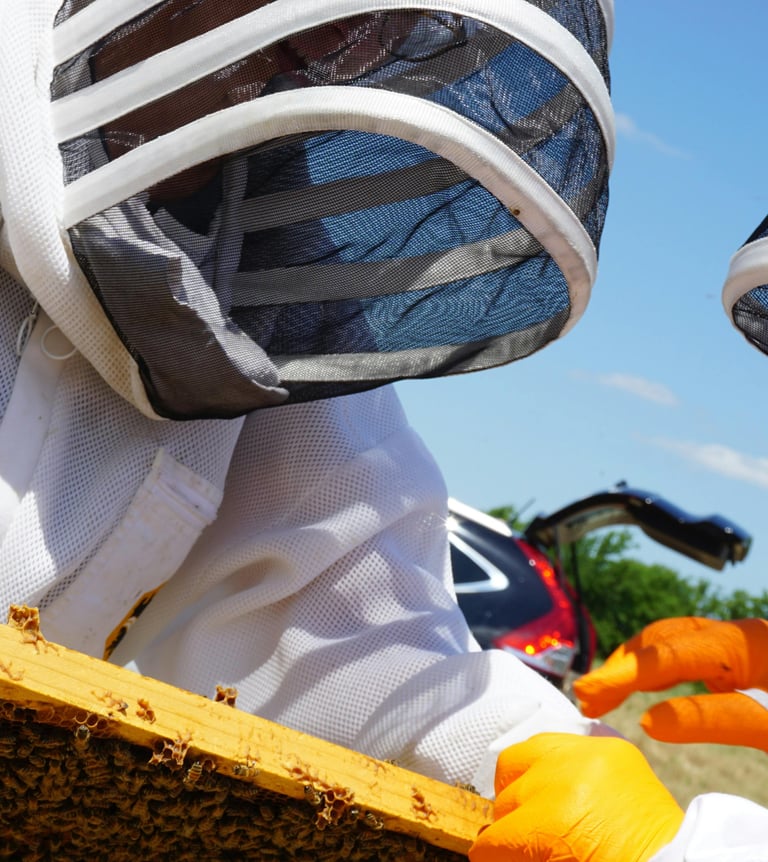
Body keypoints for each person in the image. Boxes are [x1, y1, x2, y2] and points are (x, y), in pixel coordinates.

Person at [0, 0, 616, 803]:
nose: (349, 35)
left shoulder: (264, 308)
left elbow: (358, 649)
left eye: (408, 16)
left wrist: (532, 764)